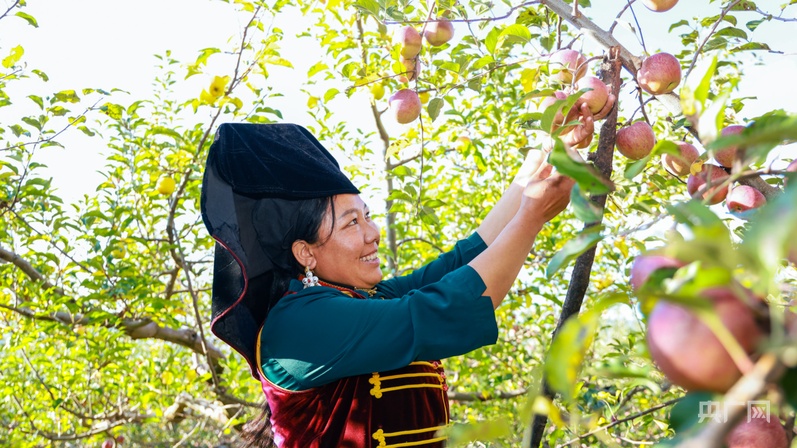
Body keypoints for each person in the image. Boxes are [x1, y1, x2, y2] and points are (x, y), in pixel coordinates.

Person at [200, 123, 575, 448]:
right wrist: (532, 217)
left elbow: (465, 259)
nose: (373, 233)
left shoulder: (362, 299)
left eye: (367, 216)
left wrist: (547, 146)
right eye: (352, 223)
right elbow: (442, 309)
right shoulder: (297, 324)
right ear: (306, 253)